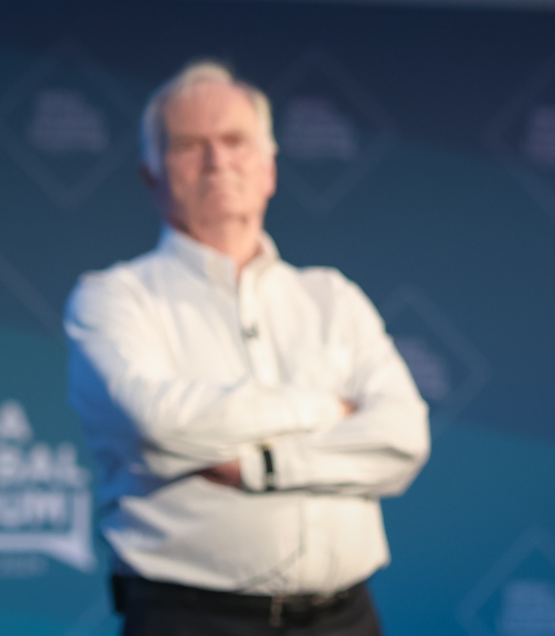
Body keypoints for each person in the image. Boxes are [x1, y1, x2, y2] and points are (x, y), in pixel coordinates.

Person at [65, 61, 429, 635]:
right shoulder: (115, 298)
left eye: (235, 141)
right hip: (192, 621)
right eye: (190, 145)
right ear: (151, 174)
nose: (217, 161)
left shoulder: (331, 297)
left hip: (347, 619)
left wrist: (261, 466)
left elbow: (403, 438)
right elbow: (156, 424)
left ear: (269, 168)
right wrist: (323, 408)